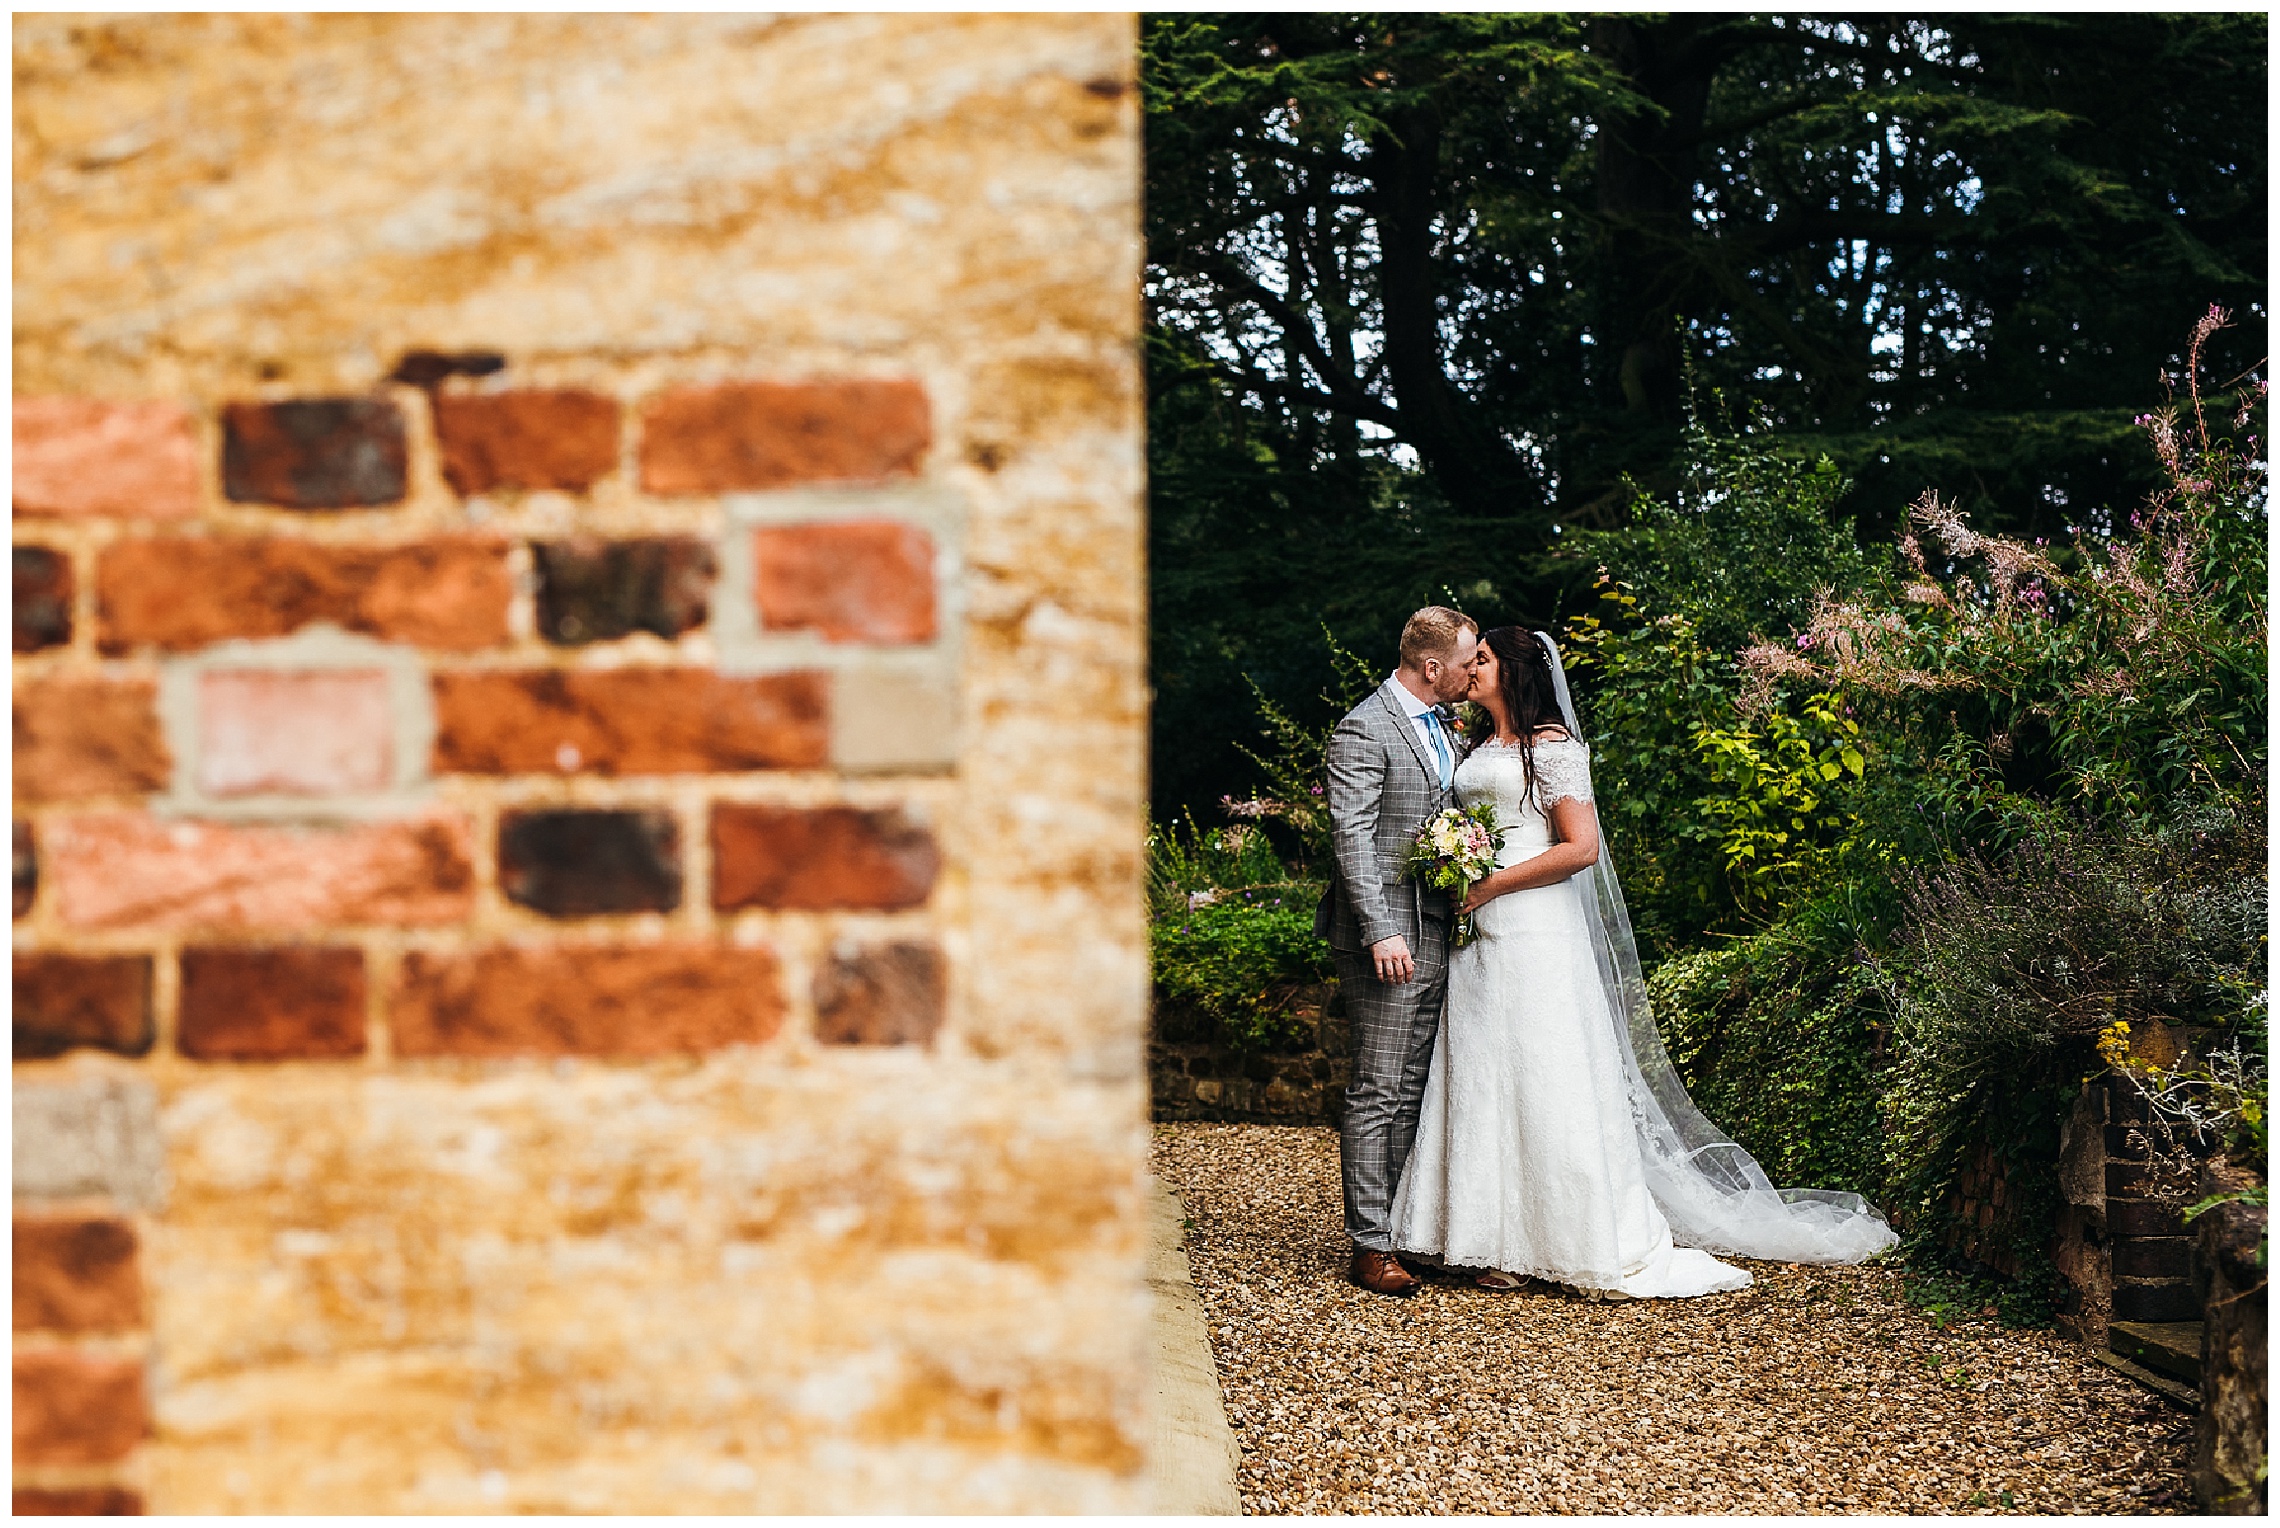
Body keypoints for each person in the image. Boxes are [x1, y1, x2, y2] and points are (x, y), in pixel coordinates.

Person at [1387, 625, 1897, 1299]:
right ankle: (1487, 1238)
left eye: (1481, 659)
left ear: (1514, 671)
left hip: (1535, 928)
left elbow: (1581, 848)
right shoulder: (1476, 745)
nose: (1469, 668)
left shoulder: (1555, 749)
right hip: (1478, 934)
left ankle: (1563, 1236)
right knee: (1483, 1071)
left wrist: (1492, 884)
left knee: (1543, 1074)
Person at [1316, 606, 1479, 1296]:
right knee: (1378, 1088)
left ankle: (1402, 1230)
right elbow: (1351, 837)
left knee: (1412, 1085)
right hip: (1385, 935)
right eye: (1469, 661)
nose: (1476, 673)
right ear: (1433, 666)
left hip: (1435, 924)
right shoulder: (1364, 727)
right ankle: (1368, 1244)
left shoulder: (1445, 726)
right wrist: (1380, 928)